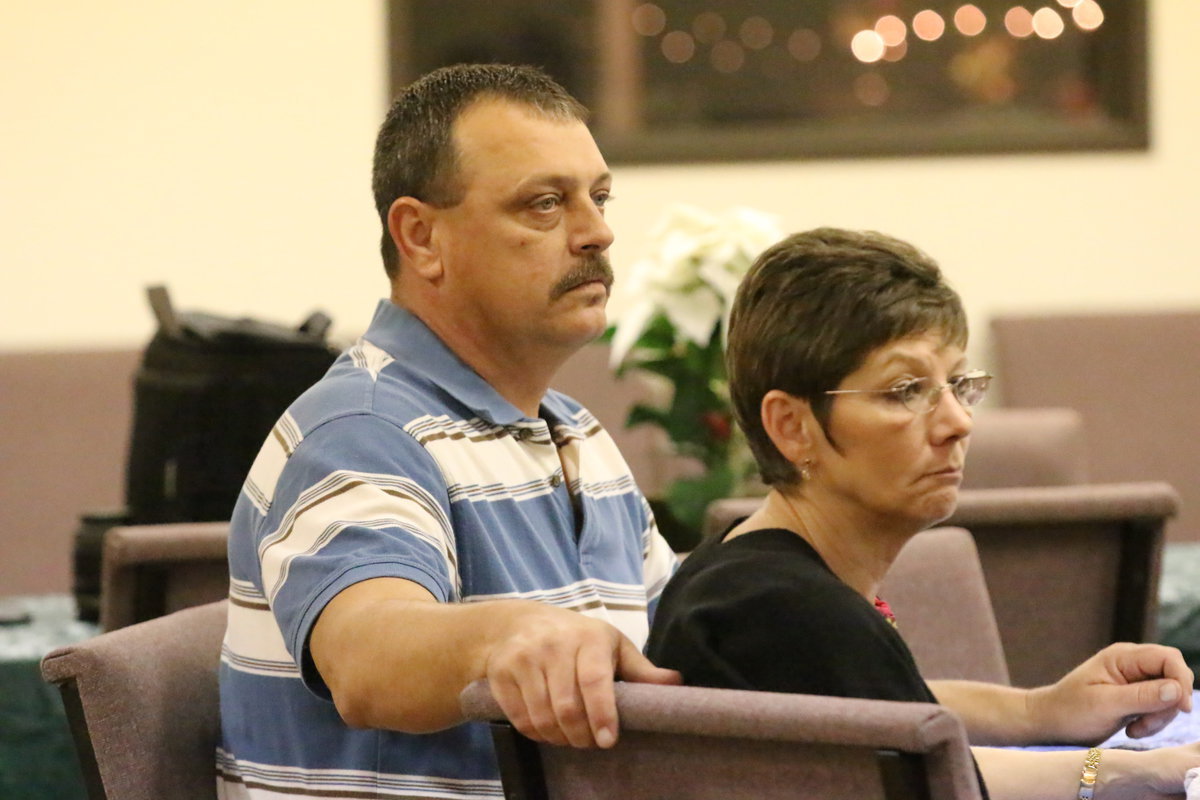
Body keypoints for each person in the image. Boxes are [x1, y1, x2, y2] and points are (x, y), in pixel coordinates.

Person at [217, 63, 680, 800]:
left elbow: (680, 661)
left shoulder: (578, 433)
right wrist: (507, 635)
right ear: (421, 237)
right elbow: (366, 658)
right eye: (544, 204)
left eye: (598, 198)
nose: (598, 232)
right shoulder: (362, 430)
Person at [645, 228, 1200, 800]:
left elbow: (881, 709)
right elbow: (933, 780)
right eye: (905, 390)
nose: (958, 421)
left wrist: (1040, 710)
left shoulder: (747, 568)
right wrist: (1121, 769)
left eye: (959, 383)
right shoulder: (784, 611)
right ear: (792, 427)